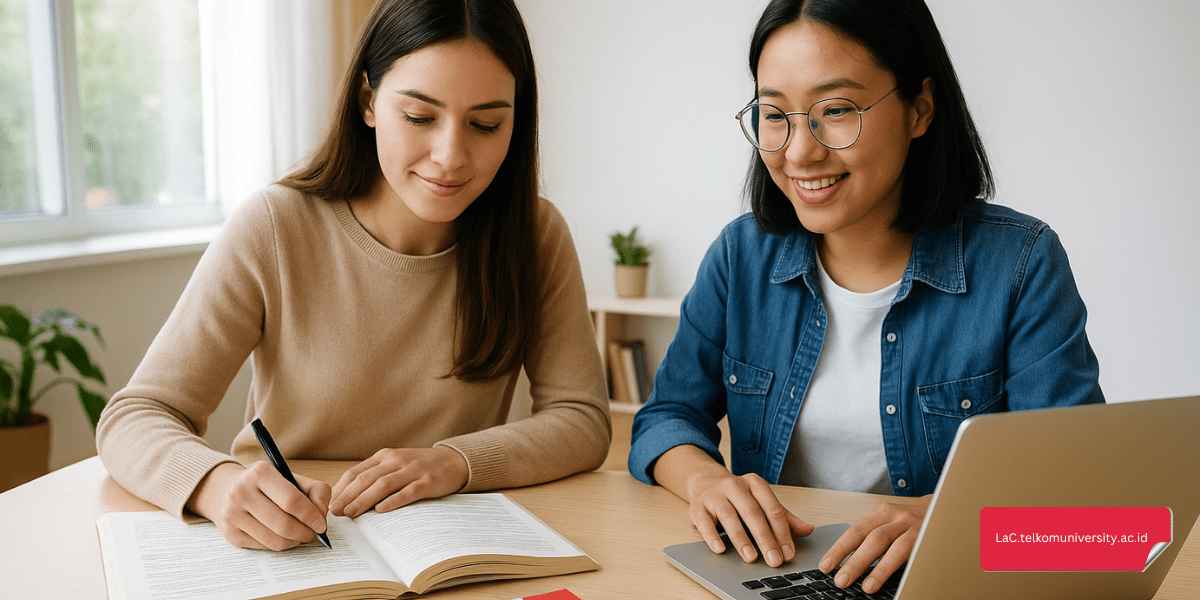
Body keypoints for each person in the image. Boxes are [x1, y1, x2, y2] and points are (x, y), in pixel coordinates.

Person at [97, 0, 610, 552]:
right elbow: (135, 416)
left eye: (486, 124)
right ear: (368, 101)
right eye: (419, 117)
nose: (450, 155)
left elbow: (581, 419)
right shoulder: (275, 225)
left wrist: (456, 462)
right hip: (288, 543)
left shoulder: (534, 234)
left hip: (451, 545)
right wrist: (216, 486)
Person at [628, 0, 1104, 594]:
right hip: (781, 578)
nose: (800, 151)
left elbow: (1071, 474)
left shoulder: (1020, 261)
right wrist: (705, 480)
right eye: (775, 114)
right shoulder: (740, 256)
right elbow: (667, 416)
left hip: (945, 580)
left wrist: (948, 513)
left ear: (919, 109)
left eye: (836, 110)